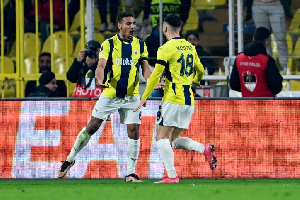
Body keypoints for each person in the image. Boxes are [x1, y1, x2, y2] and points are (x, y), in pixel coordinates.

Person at [57, 12, 155, 182]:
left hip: (131, 95)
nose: (132, 26)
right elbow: (101, 65)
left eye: (133, 23)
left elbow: (145, 68)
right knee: (92, 127)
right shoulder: (108, 44)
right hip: (110, 93)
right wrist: (99, 78)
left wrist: (152, 81)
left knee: (134, 130)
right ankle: (69, 159)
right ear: (120, 25)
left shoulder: (140, 45)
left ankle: (131, 172)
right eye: (128, 23)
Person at [134, 14, 217, 184]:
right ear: (180, 28)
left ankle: (172, 176)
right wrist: (197, 80)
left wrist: (144, 97)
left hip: (172, 99)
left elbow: (156, 74)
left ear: (165, 28)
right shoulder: (190, 47)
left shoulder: (165, 48)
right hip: (188, 100)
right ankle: (204, 148)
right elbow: (200, 68)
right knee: (173, 140)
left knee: (161, 138)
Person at [229, 27, 283, 97]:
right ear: (266, 41)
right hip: (266, 103)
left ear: (253, 38)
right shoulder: (267, 60)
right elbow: (276, 86)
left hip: (247, 103)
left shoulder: (239, 58)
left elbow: (233, 84)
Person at [251, 0, 289, 72]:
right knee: (262, 39)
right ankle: (267, 66)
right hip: (258, 6)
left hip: (276, 5)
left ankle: (284, 67)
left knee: (280, 37)